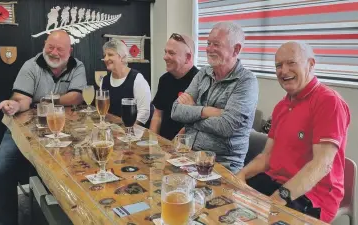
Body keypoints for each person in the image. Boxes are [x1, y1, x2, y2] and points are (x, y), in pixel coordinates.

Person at [236, 41, 350, 222]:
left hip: (312, 196)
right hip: (276, 182)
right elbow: (267, 157)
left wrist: (277, 198)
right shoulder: (282, 106)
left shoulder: (328, 101)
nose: (283, 70)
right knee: (226, 205)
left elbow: (321, 165)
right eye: (278, 65)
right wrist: (241, 176)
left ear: (311, 64)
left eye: (291, 63)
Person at [0, 30, 87, 225]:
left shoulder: (78, 66)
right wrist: (14, 105)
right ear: (44, 44)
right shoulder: (31, 66)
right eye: (50, 47)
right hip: (23, 130)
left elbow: (76, 97)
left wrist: (43, 99)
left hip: (62, 130)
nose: (54, 52)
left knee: (70, 170)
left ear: (70, 51)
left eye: (60, 49)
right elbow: (22, 99)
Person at [171, 21, 258, 173]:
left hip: (222, 166)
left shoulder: (246, 81)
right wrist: (206, 111)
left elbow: (226, 127)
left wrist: (192, 114)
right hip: (188, 156)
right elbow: (175, 111)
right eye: (209, 43)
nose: (209, 49)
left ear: (236, 49)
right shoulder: (203, 73)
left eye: (216, 44)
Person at [150, 33, 198, 140]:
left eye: (171, 53)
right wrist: (152, 142)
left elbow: (195, 124)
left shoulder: (201, 82)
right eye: (165, 52)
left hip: (186, 149)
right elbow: (158, 114)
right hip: (163, 144)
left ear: (188, 57)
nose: (165, 57)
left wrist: (173, 146)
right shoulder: (164, 80)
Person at [100, 39, 152, 127]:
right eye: (104, 55)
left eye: (110, 54)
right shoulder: (104, 81)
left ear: (122, 57)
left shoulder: (137, 79)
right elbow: (104, 111)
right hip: (111, 132)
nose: (105, 59)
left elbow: (144, 112)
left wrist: (128, 130)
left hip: (133, 133)